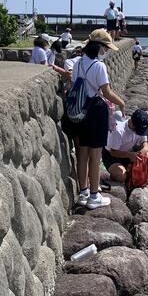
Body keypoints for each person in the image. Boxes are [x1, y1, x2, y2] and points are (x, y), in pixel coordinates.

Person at [52, 29, 125, 210]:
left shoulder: (78, 63)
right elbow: (106, 92)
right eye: (106, 48)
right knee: (95, 155)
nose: (106, 51)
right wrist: (122, 103)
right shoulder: (99, 66)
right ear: (99, 47)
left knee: (82, 153)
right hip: (95, 111)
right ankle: (94, 196)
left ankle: (83, 192)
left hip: (79, 111)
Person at [103, 109, 148, 184]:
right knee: (121, 176)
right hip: (111, 156)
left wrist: (145, 149)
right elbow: (113, 152)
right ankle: (111, 174)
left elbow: (144, 143)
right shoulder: (118, 131)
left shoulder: (139, 127)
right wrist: (129, 155)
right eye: (138, 131)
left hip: (128, 153)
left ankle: (130, 172)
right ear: (131, 123)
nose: (139, 133)